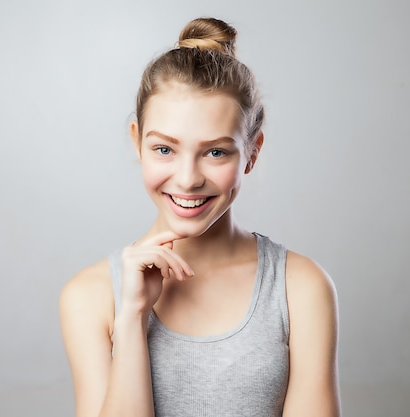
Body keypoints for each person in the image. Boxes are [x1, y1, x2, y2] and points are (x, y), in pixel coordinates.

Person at [59, 17, 340, 417]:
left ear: (252, 152)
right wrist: (132, 319)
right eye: (164, 149)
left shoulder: (300, 288)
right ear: (137, 141)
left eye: (215, 152)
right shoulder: (90, 297)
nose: (188, 180)